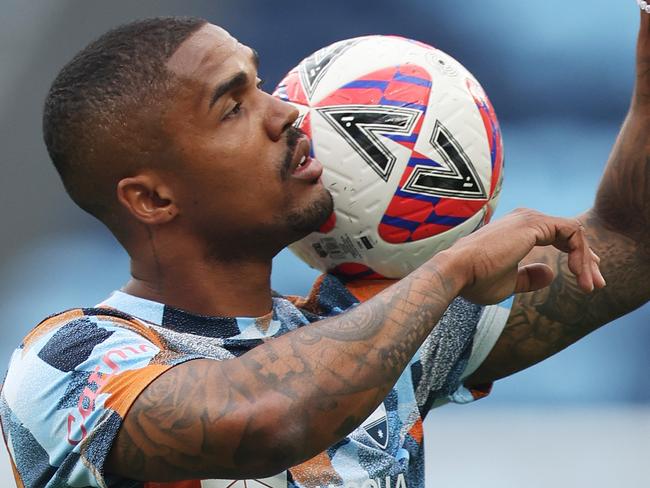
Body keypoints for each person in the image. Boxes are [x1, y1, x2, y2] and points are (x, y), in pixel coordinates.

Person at [0, 6, 647, 487]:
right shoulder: (70, 360)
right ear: (152, 200)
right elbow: (262, 421)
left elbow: (630, 242)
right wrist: (448, 271)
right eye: (233, 108)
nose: (287, 114)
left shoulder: (375, 325)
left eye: (261, 86)